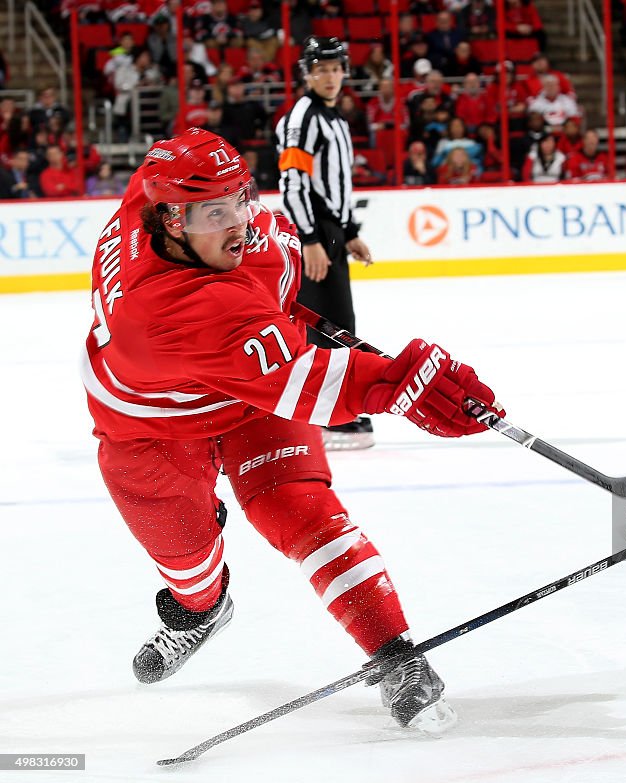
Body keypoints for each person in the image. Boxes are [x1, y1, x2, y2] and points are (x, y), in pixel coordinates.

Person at [82, 127, 503, 734]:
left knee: (301, 512)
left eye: (240, 198)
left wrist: (289, 314)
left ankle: (396, 657)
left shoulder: (158, 202)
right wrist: (401, 383)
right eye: (215, 211)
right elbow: (310, 379)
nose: (240, 222)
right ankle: (199, 610)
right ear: (171, 220)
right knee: (188, 562)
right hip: (150, 429)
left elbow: (269, 335)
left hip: (247, 394)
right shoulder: (169, 310)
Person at [276, 37, 376, 450]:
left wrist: (349, 232)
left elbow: (339, 185)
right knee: (324, 326)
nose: (331, 76)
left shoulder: (335, 119)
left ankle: (338, 407)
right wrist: (310, 239)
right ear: (307, 73)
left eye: (336, 68)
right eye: (322, 68)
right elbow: (293, 183)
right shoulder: (303, 117)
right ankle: (325, 416)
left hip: (331, 232)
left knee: (340, 324)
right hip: (314, 232)